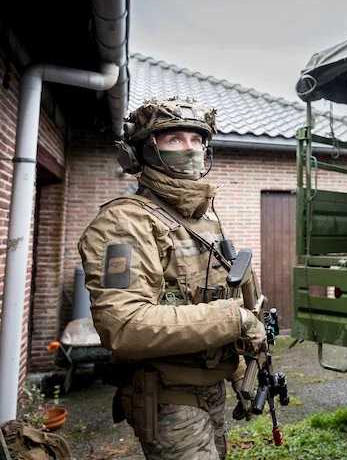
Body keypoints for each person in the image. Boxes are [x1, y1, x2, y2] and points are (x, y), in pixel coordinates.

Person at [78, 98, 267, 460]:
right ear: (143, 151)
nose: (191, 149)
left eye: (197, 140)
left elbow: (214, 297)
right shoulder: (124, 223)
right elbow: (124, 326)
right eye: (175, 139)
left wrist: (239, 370)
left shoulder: (203, 218)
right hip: (169, 398)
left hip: (211, 388)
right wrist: (236, 320)